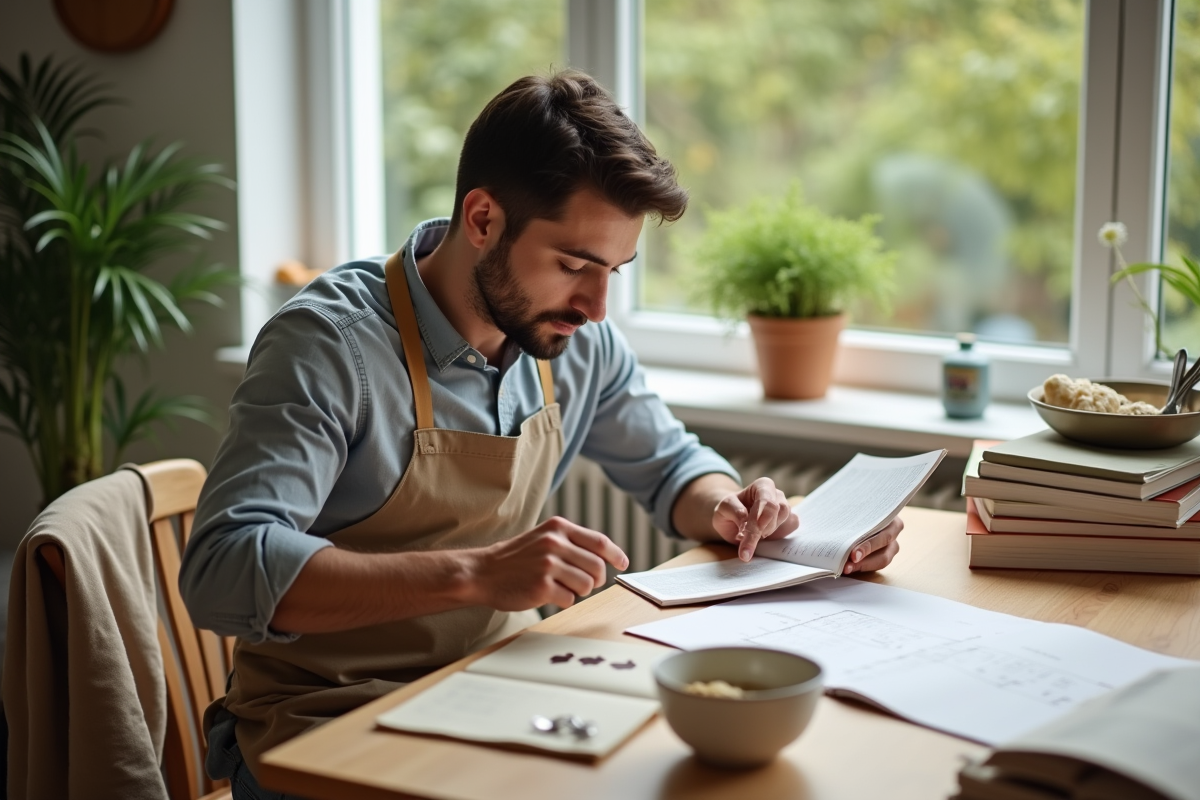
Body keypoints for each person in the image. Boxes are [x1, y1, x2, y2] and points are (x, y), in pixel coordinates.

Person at [180, 70, 903, 798]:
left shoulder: (573, 337)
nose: (595, 304)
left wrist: (730, 505)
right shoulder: (329, 345)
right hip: (324, 722)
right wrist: (477, 574)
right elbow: (224, 568)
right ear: (483, 218)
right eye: (573, 265)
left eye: (616, 270)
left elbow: (672, 466)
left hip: (499, 689)